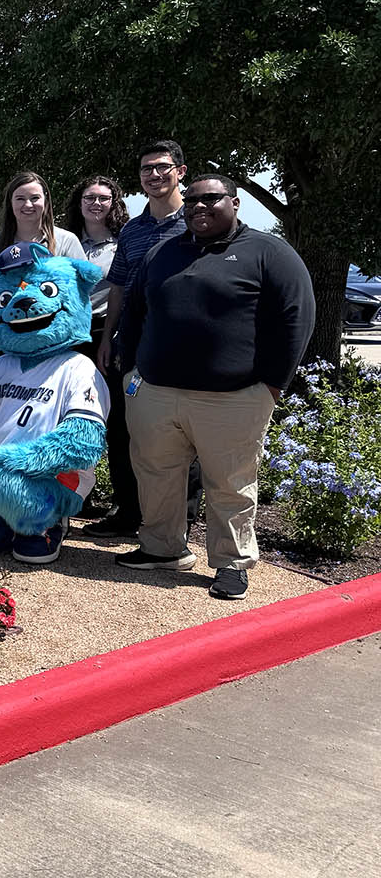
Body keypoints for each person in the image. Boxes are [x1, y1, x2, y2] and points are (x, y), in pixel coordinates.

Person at [115, 176, 314, 600]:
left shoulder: (269, 252)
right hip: (156, 392)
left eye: (210, 198)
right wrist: (131, 369)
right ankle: (162, 548)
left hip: (233, 397)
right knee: (156, 475)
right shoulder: (163, 251)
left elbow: (296, 319)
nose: (198, 206)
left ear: (236, 203)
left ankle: (231, 563)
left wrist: (271, 386)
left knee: (230, 482)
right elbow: (134, 312)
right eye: (191, 201)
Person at [88, 140, 195, 538]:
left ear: (180, 171)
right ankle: (128, 511)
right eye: (146, 169)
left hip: (176, 339)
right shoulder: (133, 229)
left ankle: (180, 519)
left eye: (162, 167)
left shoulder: (194, 222)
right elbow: (116, 285)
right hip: (130, 338)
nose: (153, 175)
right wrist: (108, 337)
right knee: (124, 427)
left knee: (181, 426)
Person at [0, 172, 86, 280]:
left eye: (35, 198)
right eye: (20, 199)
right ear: (10, 203)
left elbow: (84, 285)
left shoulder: (67, 241)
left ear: (45, 202)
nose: (28, 205)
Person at [64, 176, 129, 339]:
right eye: (90, 198)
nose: (96, 203)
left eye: (104, 198)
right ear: (79, 203)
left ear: (113, 203)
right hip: (69, 331)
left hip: (109, 331)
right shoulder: (64, 243)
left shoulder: (124, 243)